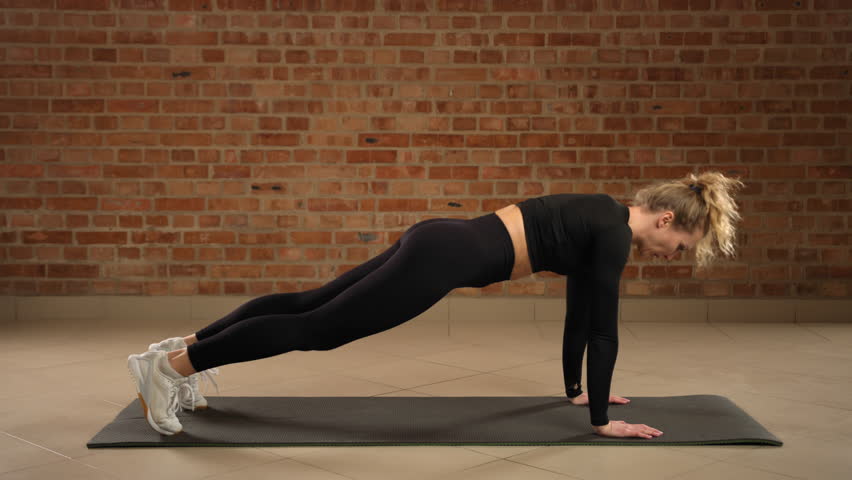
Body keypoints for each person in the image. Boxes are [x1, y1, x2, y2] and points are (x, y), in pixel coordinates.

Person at [128, 171, 745, 438]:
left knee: (310, 302)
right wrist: (603, 422)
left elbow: (581, 312)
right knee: (319, 327)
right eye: (681, 244)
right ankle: (170, 372)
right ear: (666, 218)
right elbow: (605, 331)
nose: (674, 253)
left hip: (441, 238)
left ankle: (181, 350)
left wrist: (573, 391)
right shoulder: (613, 236)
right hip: (444, 259)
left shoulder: (606, 218)